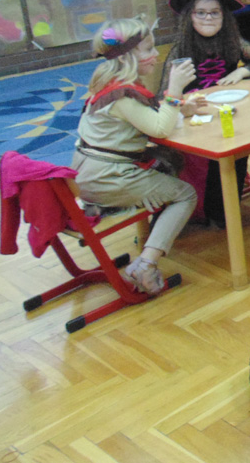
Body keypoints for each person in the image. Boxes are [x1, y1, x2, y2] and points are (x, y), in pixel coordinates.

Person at [72, 17, 202, 294]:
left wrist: (181, 108)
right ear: (126, 56)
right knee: (186, 194)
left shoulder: (108, 82)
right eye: (148, 49)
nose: (156, 54)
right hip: (108, 178)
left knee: (169, 160)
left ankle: (148, 208)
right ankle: (145, 264)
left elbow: (145, 118)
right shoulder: (123, 95)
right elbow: (159, 128)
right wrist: (175, 89)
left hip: (88, 174)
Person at [159, 0, 250, 227]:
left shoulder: (232, 41)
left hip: (226, 112)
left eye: (214, 12)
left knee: (240, 143)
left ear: (224, 16)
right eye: (200, 13)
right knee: (212, 154)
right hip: (195, 119)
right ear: (190, 17)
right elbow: (164, 96)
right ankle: (208, 209)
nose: (208, 18)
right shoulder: (181, 49)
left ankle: (225, 209)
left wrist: (241, 71)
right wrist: (183, 104)